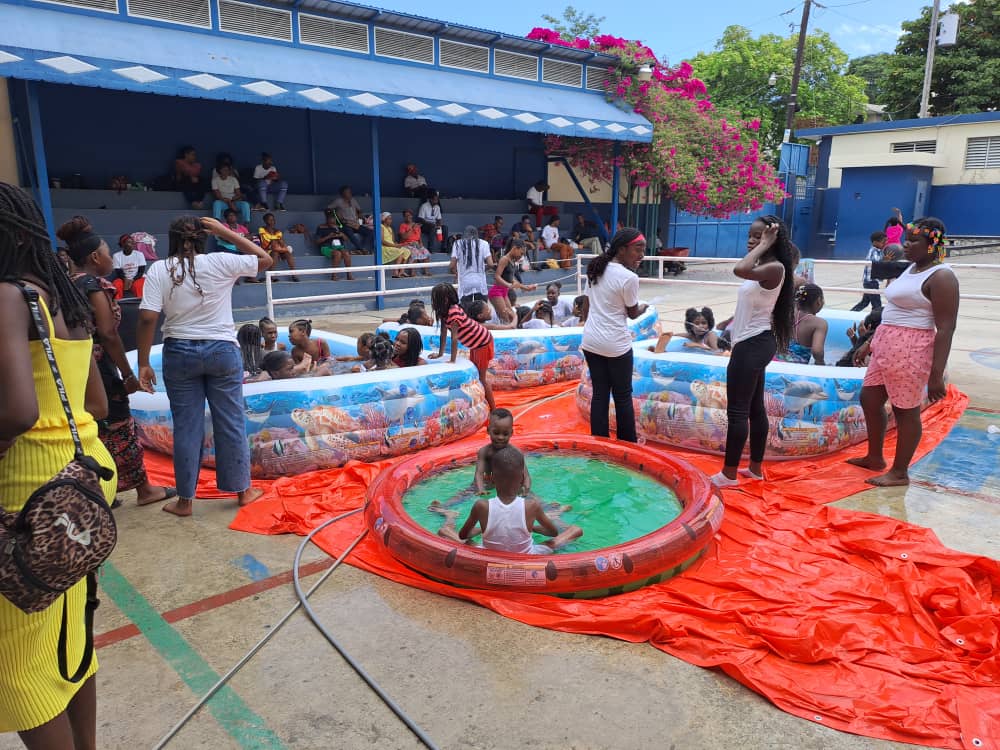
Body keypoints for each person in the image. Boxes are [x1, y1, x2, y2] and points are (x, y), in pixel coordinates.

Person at [0, 182, 117, 750]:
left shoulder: (7, 297)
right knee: (71, 641)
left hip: (26, 488)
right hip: (80, 483)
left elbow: (18, 412)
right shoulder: (63, 298)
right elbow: (96, 404)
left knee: (17, 667)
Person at [137, 216, 272, 517]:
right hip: (222, 351)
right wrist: (226, 232)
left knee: (187, 427)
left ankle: (185, 501)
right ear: (203, 237)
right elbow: (265, 259)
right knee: (231, 421)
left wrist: (144, 363)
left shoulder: (159, 269)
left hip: (179, 352)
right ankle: (243, 491)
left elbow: (147, 318)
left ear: (172, 238)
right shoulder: (221, 261)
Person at [58, 216, 176, 508]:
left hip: (75, 363)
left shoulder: (64, 284)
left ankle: (100, 489)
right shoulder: (94, 286)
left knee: (91, 427)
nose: (111, 259)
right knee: (120, 424)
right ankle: (144, 489)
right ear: (95, 258)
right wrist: (127, 375)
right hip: (100, 367)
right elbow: (108, 334)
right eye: (107, 253)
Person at [847, 217, 959, 487]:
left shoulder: (942, 277)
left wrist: (936, 374)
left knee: (905, 410)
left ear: (932, 244)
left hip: (911, 348)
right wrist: (869, 342)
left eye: (913, 241)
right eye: (906, 240)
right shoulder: (911, 268)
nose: (905, 245)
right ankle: (875, 457)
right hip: (886, 343)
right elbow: (893, 310)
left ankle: (899, 472)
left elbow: (946, 328)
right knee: (870, 398)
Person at [711, 215, 795, 487]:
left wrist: (764, 245)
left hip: (753, 344)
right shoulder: (763, 266)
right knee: (755, 408)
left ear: (772, 239)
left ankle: (729, 474)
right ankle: (755, 469)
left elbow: (740, 269)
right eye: (750, 235)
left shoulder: (774, 267)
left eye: (758, 236)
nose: (751, 240)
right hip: (751, 342)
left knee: (738, 411)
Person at [434, 446, 582, 553]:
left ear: (492, 479)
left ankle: (450, 516)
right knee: (575, 530)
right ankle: (555, 515)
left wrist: (486, 528)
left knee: (446, 532)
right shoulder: (532, 506)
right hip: (527, 555)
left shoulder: (481, 506)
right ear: (522, 479)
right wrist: (530, 527)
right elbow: (553, 533)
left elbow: (463, 535)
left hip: (488, 555)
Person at [581, 228, 649, 443]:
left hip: (591, 341)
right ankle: (627, 445)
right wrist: (644, 308)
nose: (642, 255)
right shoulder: (629, 278)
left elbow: (586, 305)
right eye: (638, 249)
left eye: (643, 250)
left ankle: (599, 444)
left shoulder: (595, 268)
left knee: (600, 393)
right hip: (615, 345)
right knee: (622, 396)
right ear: (621, 249)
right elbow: (632, 313)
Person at [430, 282, 496, 411]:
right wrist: (440, 354)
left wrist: (452, 360)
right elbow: (443, 333)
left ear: (445, 299)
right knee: (475, 374)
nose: (434, 302)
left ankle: (494, 409)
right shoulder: (443, 312)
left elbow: (454, 338)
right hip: (475, 344)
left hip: (482, 342)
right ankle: (481, 402)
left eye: (436, 298)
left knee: (481, 378)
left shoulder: (454, 312)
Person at [776, 284, 828, 365]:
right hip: (796, 364)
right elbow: (817, 351)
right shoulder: (820, 323)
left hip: (775, 359)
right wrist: (820, 363)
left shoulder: (786, 314)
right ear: (818, 301)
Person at [489, 239, 536, 324]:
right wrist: (509, 285)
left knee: (511, 318)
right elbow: (497, 276)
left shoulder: (512, 261)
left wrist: (526, 288)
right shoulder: (504, 259)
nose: (521, 256)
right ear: (515, 248)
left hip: (504, 292)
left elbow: (511, 279)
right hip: (496, 292)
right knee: (506, 319)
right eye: (521, 253)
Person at [450, 225, 493, 306]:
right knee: (481, 309)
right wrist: (482, 270)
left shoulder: (458, 244)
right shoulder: (484, 243)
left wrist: (457, 272)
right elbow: (490, 264)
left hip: (464, 282)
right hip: (480, 282)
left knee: (465, 309)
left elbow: (452, 265)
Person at [852, 231, 887, 312]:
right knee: (877, 304)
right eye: (883, 242)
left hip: (870, 282)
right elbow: (875, 264)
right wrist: (884, 260)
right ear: (875, 242)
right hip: (871, 282)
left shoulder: (879, 251)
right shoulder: (873, 251)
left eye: (886, 241)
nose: (885, 243)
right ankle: (876, 318)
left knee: (864, 302)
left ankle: (850, 313)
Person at [258, 213, 298, 282]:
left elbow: (282, 243)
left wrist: (282, 246)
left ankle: (294, 274)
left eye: (273, 220)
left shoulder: (278, 231)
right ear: (265, 221)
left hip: (278, 249)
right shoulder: (262, 229)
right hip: (266, 250)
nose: (272, 222)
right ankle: (271, 276)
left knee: (287, 253)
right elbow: (265, 242)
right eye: (270, 220)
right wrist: (276, 242)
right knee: (275, 252)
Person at [314, 209, 353, 281]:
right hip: (326, 247)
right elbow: (317, 241)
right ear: (327, 220)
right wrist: (329, 236)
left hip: (339, 246)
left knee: (346, 253)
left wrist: (342, 235)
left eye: (334, 221)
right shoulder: (321, 227)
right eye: (330, 221)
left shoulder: (337, 227)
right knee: (337, 254)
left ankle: (349, 274)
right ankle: (334, 275)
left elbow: (346, 239)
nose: (333, 223)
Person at [329, 186, 371, 252]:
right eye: (347, 192)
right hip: (345, 224)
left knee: (370, 232)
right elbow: (328, 209)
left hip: (355, 224)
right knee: (350, 233)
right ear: (342, 194)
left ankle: (363, 247)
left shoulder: (353, 200)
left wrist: (360, 214)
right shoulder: (338, 201)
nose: (350, 193)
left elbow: (359, 210)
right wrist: (336, 215)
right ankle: (361, 249)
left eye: (350, 192)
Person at [112, 232, 147, 299]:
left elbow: (141, 271)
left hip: (138, 278)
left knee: (139, 285)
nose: (132, 244)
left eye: (132, 242)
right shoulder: (116, 256)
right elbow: (118, 272)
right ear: (123, 244)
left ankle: (141, 303)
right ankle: (117, 302)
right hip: (123, 278)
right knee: (116, 284)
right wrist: (125, 280)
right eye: (129, 242)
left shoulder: (139, 254)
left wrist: (133, 280)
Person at [379, 212, 413, 278]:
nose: (391, 220)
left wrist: (398, 245)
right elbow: (382, 241)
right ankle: (395, 272)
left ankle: (402, 272)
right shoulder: (381, 227)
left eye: (391, 219)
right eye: (389, 219)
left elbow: (393, 241)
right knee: (400, 252)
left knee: (407, 251)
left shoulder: (390, 228)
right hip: (384, 247)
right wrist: (395, 246)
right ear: (384, 219)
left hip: (392, 246)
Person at [399, 209, 431, 275]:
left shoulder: (416, 225)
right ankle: (413, 272)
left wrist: (421, 245)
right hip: (408, 244)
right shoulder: (403, 225)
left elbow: (419, 236)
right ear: (404, 217)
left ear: (412, 216)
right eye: (406, 216)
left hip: (417, 244)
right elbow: (404, 237)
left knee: (426, 253)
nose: (408, 217)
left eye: (409, 215)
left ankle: (426, 271)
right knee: (415, 253)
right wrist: (412, 228)